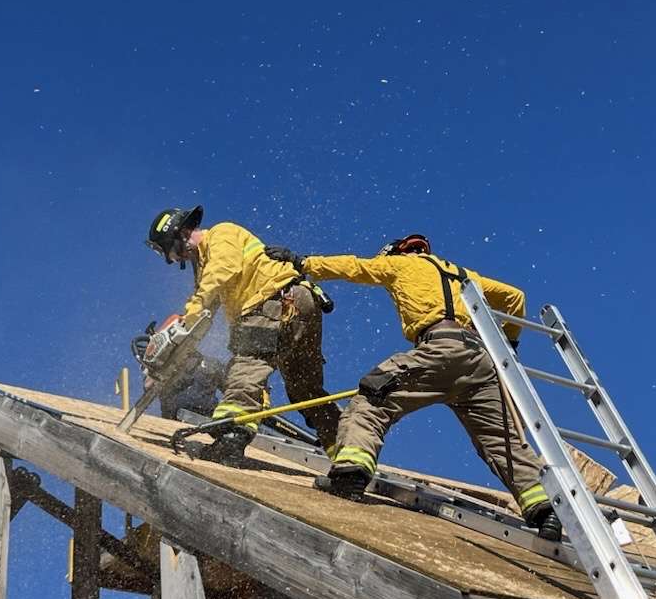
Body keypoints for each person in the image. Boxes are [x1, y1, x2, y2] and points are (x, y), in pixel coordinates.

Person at [264, 234, 561, 541]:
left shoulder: (401, 265)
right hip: (479, 363)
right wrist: (508, 345)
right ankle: (546, 510)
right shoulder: (463, 275)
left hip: (437, 349)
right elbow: (515, 298)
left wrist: (302, 262)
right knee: (502, 441)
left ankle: (350, 474)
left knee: (371, 402)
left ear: (397, 252)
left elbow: (353, 267)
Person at [145, 205, 340, 464]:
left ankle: (231, 437)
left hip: (273, 302)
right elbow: (204, 317)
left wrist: (181, 326)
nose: (174, 259)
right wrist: (173, 357)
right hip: (297, 304)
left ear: (180, 234)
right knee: (304, 389)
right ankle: (347, 452)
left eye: (170, 251)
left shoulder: (221, 234)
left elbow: (214, 283)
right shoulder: (205, 266)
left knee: (246, 366)